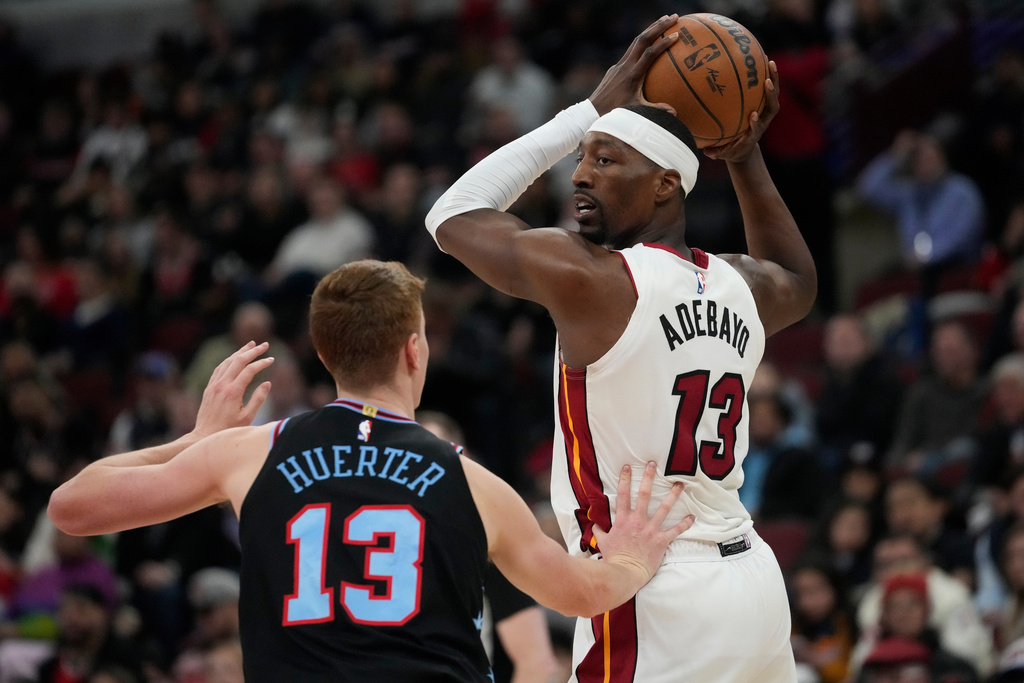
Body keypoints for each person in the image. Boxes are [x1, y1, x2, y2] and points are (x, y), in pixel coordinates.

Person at [47, 260, 694, 682]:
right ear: (416, 349)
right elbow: (582, 594)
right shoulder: (474, 482)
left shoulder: (247, 454)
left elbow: (72, 507)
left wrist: (191, 439)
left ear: (325, 352)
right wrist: (632, 559)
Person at [424, 14, 816, 682]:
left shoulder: (595, 280)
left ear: (666, 184)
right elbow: (801, 281)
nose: (580, 175)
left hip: (652, 589)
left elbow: (451, 216)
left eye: (604, 159)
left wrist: (588, 110)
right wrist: (745, 156)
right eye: (582, 157)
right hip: (750, 580)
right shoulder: (738, 283)